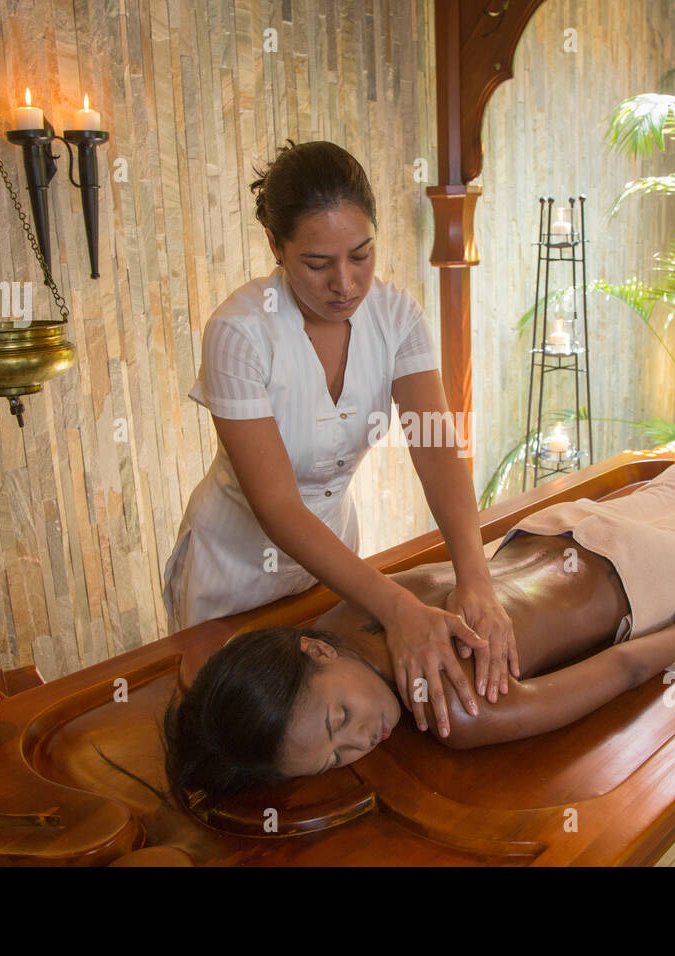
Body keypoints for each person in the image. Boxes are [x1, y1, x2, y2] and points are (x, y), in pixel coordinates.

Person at [163, 426, 675, 809]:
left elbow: (625, 672)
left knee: (659, 492)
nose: (361, 743)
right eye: (334, 758)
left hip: (550, 537)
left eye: (338, 719)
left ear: (314, 652)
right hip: (624, 577)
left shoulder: (368, 625)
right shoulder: (421, 684)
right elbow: (616, 666)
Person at [162, 140, 517, 734]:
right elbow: (276, 505)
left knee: (330, 720)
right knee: (253, 735)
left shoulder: (396, 318)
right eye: (317, 263)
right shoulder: (240, 332)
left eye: (361, 254)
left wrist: (474, 579)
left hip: (334, 566)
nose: (345, 283)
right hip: (235, 570)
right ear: (276, 247)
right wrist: (398, 606)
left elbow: (436, 450)